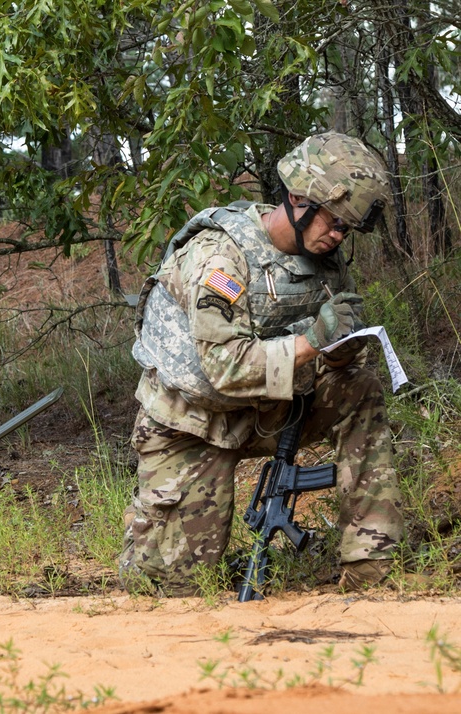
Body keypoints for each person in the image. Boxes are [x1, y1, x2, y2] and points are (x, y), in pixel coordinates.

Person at [120, 132, 405, 596]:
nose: (337, 236)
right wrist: (313, 340)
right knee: (172, 592)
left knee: (360, 386)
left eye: (346, 229)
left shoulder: (324, 258)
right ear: (296, 199)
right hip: (192, 425)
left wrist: (343, 343)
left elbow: (331, 360)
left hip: (270, 411)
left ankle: (371, 568)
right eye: (333, 222)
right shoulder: (221, 257)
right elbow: (225, 369)